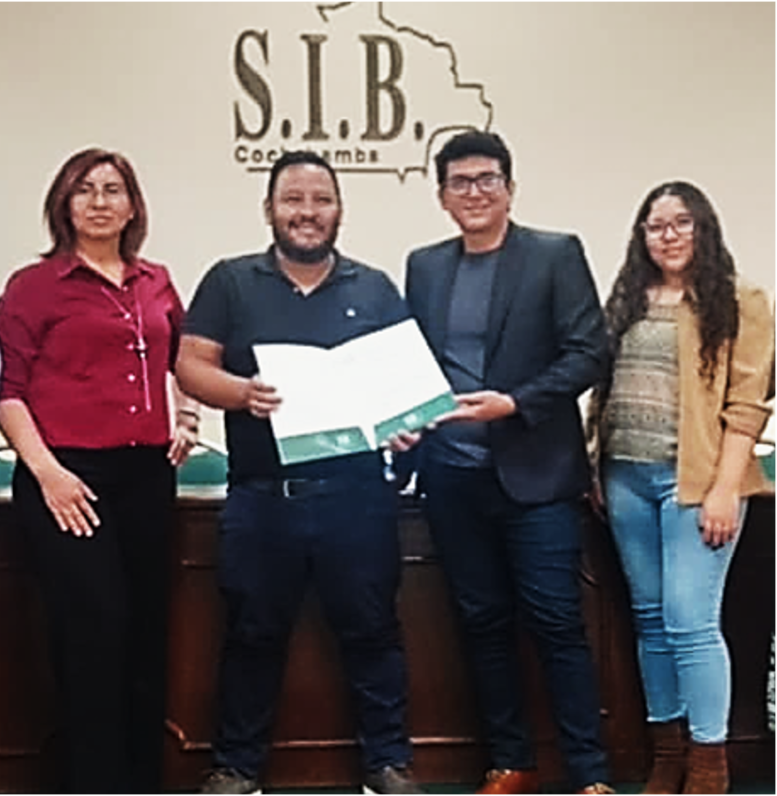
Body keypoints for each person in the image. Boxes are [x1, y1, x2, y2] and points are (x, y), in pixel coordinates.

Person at [176, 150, 422, 795]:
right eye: (293, 200)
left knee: (374, 632)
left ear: (339, 209)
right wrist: (241, 393)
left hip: (357, 497)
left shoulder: (374, 288)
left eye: (320, 200)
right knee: (251, 634)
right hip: (264, 497)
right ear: (269, 209)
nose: (307, 213)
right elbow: (190, 366)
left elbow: (405, 387)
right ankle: (236, 768)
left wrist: (406, 424)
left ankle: (388, 765)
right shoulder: (230, 281)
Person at [393, 130, 613, 794]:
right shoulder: (424, 266)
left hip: (536, 475)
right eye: (459, 182)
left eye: (487, 179)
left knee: (556, 622)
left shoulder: (554, 254)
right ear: (441, 196)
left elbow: (589, 353)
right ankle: (510, 761)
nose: (474, 192)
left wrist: (513, 404)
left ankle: (589, 773)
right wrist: (404, 422)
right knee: (482, 622)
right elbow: (414, 364)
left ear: (510, 188)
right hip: (452, 477)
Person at [0, 147, 198, 794]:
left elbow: (185, 359)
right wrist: (47, 473)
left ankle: (142, 782)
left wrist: (187, 418)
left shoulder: (155, 281)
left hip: (146, 476)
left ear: (133, 206)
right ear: (64, 204)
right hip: (65, 479)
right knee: (94, 632)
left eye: (113, 189)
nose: (100, 201)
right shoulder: (34, 287)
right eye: (85, 190)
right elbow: (6, 392)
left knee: (144, 634)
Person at [588, 182, 774, 794]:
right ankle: (666, 755)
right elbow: (603, 387)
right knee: (651, 621)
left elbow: (748, 405)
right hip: (626, 478)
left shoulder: (742, 300)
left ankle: (708, 764)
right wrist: (595, 465)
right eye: (655, 225)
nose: (668, 235)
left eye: (681, 222)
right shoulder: (627, 300)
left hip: (695, 482)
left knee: (691, 621)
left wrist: (725, 489)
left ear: (704, 228)